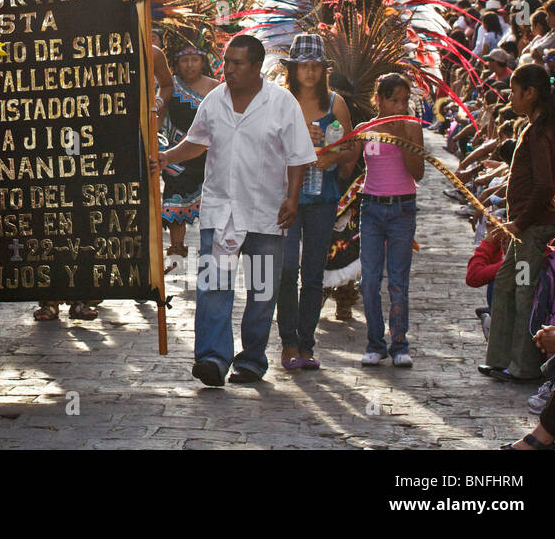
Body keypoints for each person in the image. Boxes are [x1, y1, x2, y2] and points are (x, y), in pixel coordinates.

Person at [159, 34, 316, 385]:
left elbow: (298, 157)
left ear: (257, 67)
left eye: (237, 63)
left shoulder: (281, 103)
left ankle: (251, 359)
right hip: (221, 212)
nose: (228, 69)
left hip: (265, 215)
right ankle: (212, 359)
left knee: (261, 292)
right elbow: (196, 142)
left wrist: (292, 199)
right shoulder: (215, 100)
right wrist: (167, 156)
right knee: (213, 287)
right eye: (226, 62)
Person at [277, 34, 356, 371]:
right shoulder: (279, 101)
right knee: (285, 271)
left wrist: (331, 157)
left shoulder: (335, 103)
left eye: (315, 66)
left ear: (324, 70)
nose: (309, 73)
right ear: (292, 70)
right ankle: (288, 343)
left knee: (312, 275)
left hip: (322, 199)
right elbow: (263, 148)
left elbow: (352, 149)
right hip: (286, 199)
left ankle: (306, 343)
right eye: (303, 66)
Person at [481, 63, 555, 383]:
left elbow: (543, 186)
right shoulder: (534, 128)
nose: (510, 98)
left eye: (514, 92)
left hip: (532, 231)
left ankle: (523, 365)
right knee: (505, 286)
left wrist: (519, 223)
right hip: (522, 230)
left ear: (530, 93)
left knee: (523, 290)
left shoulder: (541, 131)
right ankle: (501, 358)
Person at [355, 73, 423, 368]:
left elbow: (417, 172)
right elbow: (347, 163)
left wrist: (402, 140)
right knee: (369, 280)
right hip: (371, 207)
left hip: (403, 209)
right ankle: (374, 342)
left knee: (398, 281)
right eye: (394, 99)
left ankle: (399, 343)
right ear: (379, 100)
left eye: (405, 100)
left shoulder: (411, 127)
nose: (400, 105)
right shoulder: (365, 129)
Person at [159, 44, 219, 273]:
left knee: (210, 205)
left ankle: (211, 254)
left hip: (206, 155)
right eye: (185, 60)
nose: (190, 65)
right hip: (176, 155)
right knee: (175, 204)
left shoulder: (215, 88)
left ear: (202, 61)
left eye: (194, 59)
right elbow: (160, 114)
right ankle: (176, 251)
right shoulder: (169, 86)